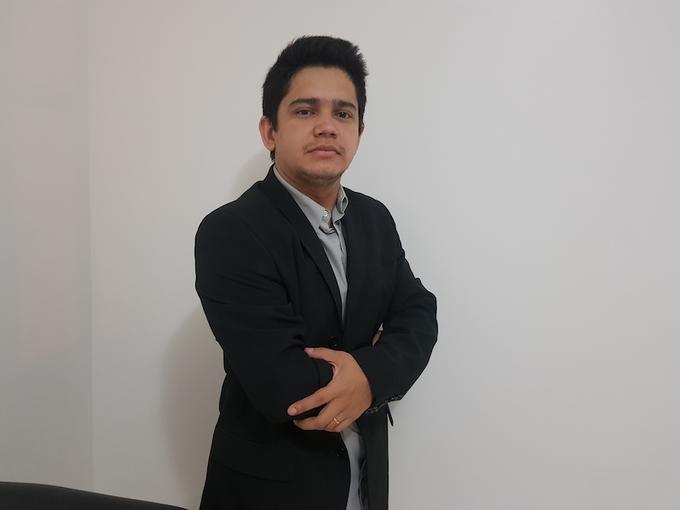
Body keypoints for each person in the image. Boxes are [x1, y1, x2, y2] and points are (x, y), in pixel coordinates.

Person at [195, 35, 437, 510]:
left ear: (359, 133)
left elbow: (418, 314)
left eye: (343, 114)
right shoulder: (231, 231)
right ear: (269, 131)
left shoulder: (375, 219)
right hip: (271, 492)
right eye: (305, 111)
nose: (327, 126)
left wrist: (367, 376)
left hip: (365, 485)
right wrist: (379, 369)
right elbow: (283, 384)